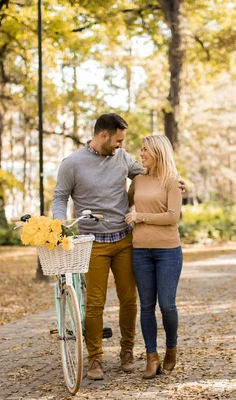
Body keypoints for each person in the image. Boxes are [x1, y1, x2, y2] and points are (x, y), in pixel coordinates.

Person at [52, 113, 143, 380]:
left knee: (129, 300)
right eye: (118, 140)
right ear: (103, 136)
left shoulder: (123, 158)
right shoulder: (72, 164)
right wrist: (59, 221)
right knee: (94, 304)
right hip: (94, 244)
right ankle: (94, 358)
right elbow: (60, 196)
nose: (121, 145)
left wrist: (174, 180)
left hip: (124, 240)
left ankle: (127, 351)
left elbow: (149, 174)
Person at [125, 135, 183, 379]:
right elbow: (128, 203)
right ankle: (151, 357)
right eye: (141, 150)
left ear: (159, 152)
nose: (142, 154)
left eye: (146, 150)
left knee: (167, 305)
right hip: (140, 251)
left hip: (168, 251)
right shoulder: (137, 181)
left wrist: (141, 217)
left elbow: (172, 217)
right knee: (146, 306)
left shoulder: (173, 182)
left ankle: (171, 347)